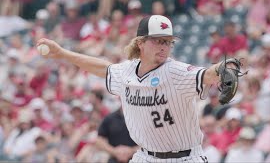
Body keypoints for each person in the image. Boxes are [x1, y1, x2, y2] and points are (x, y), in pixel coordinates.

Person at [36, 15, 235, 162]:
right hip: (145, 157)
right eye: (158, 41)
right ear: (140, 43)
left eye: (168, 42)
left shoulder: (176, 72)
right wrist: (63, 53)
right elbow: (102, 68)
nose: (164, 47)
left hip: (184, 158)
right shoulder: (126, 71)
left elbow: (207, 74)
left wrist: (223, 68)